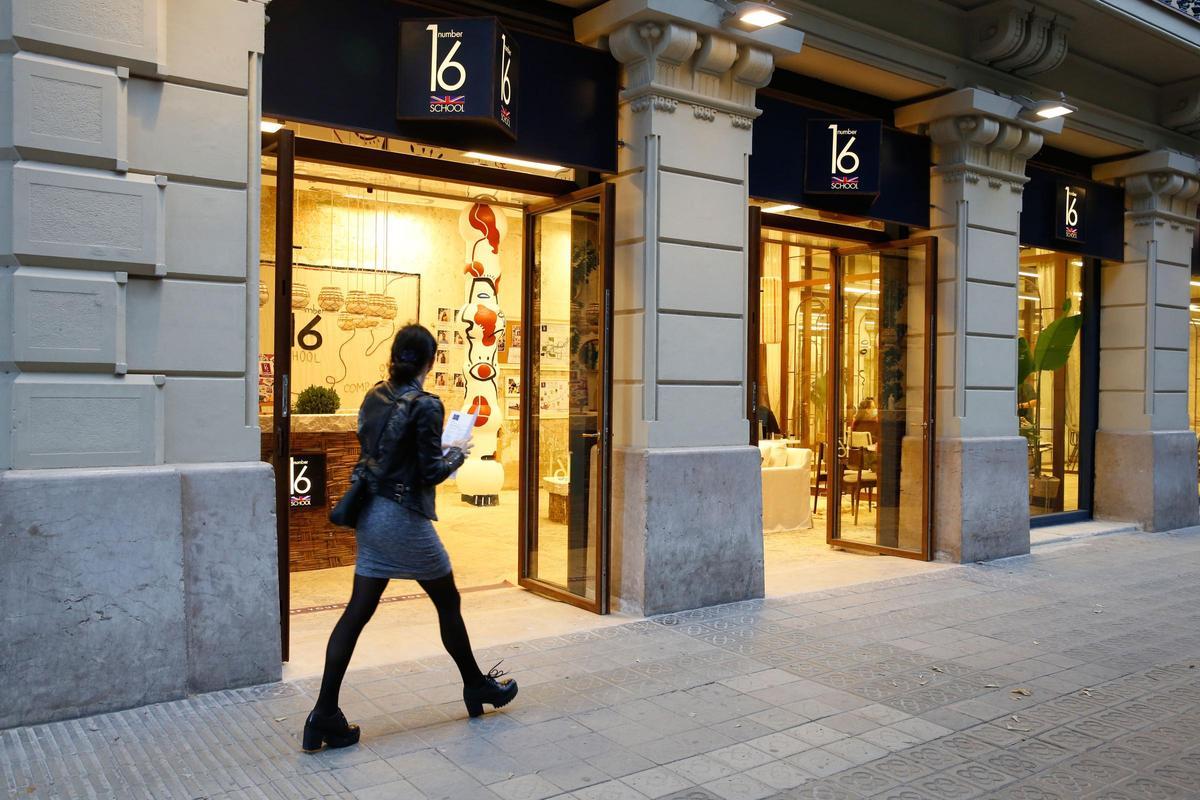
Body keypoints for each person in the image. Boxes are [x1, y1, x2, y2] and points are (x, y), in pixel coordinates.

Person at [302, 324, 517, 753]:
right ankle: (475, 686)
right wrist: (458, 452)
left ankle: (324, 714)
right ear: (430, 361)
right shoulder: (427, 405)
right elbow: (431, 472)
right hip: (403, 518)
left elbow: (374, 450)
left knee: (356, 613)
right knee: (447, 601)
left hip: (371, 514)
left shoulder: (373, 395)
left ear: (394, 356)